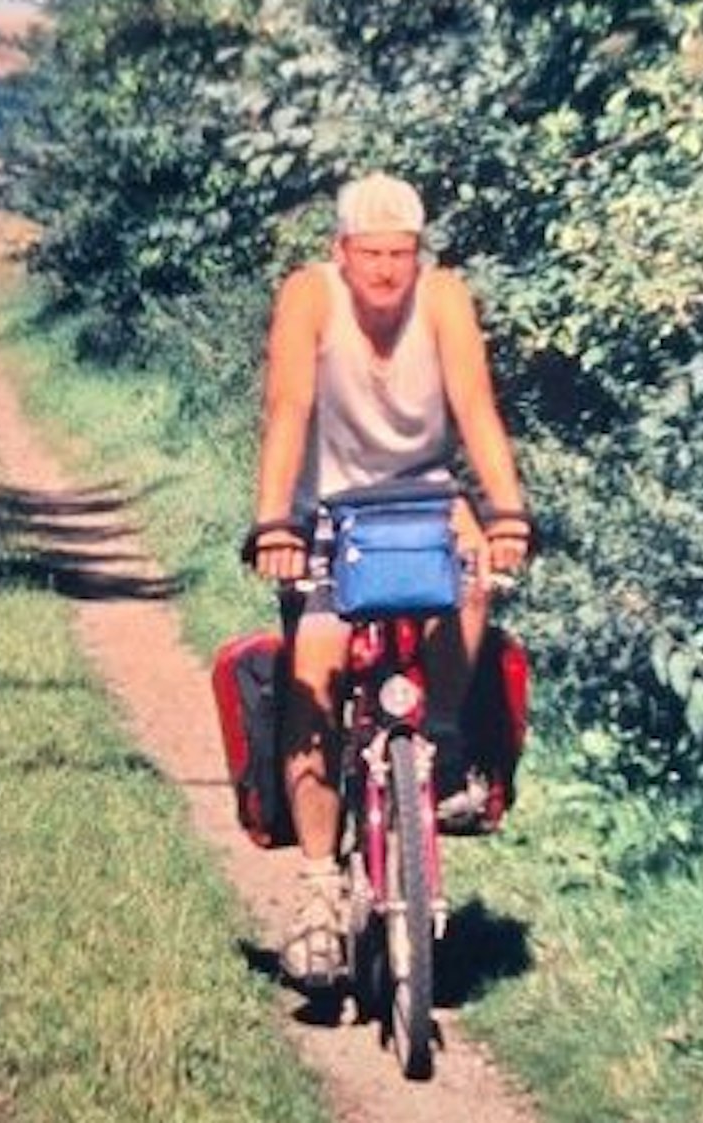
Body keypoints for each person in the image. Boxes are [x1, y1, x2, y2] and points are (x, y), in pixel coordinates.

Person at [245, 172, 531, 985]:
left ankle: (435, 747)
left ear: (419, 255)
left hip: (426, 500)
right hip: (329, 514)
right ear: (341, 252)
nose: (384, 271)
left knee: (474, 577)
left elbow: (476, 407)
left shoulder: (443, 299)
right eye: (369, 254)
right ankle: (316, 890)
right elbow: (288, 408)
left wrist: (506, 510)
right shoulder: (310, 296)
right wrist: (275, 522)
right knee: (314, 683)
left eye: (400, 255)